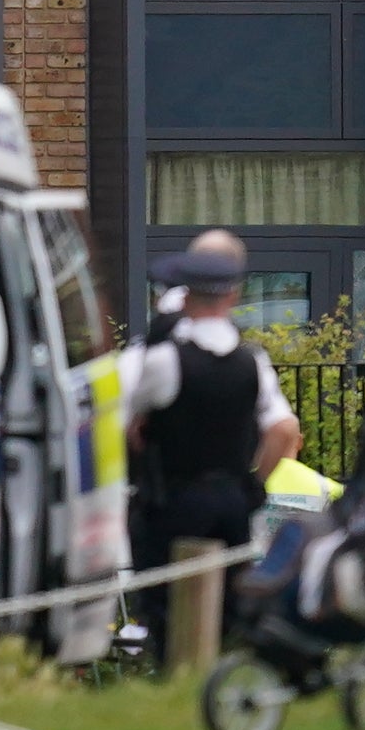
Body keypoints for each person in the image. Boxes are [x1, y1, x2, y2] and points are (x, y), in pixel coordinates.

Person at [126, 230, 304, 659]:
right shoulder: (252, 361)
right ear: (234, 295)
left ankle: (173, 675)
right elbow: (283, 430)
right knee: (228, 603)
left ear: (186, 295)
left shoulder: (164, 358)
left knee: (163, 600)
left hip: (173, 496)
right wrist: (251, 484)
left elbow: (131, 426)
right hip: (230, 498)